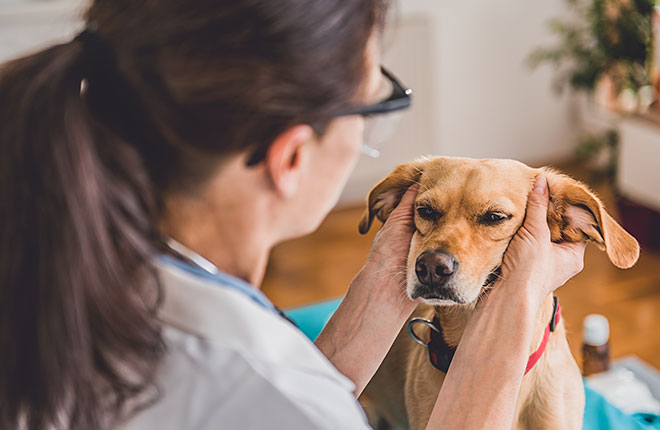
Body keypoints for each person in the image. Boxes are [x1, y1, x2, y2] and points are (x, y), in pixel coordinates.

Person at [0, 0, 586, 429]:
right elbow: (289, 400)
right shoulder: (275, 396)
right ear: (292, 156)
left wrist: (386, 282)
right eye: (377, 106)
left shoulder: (57, 269)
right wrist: (514, 308)